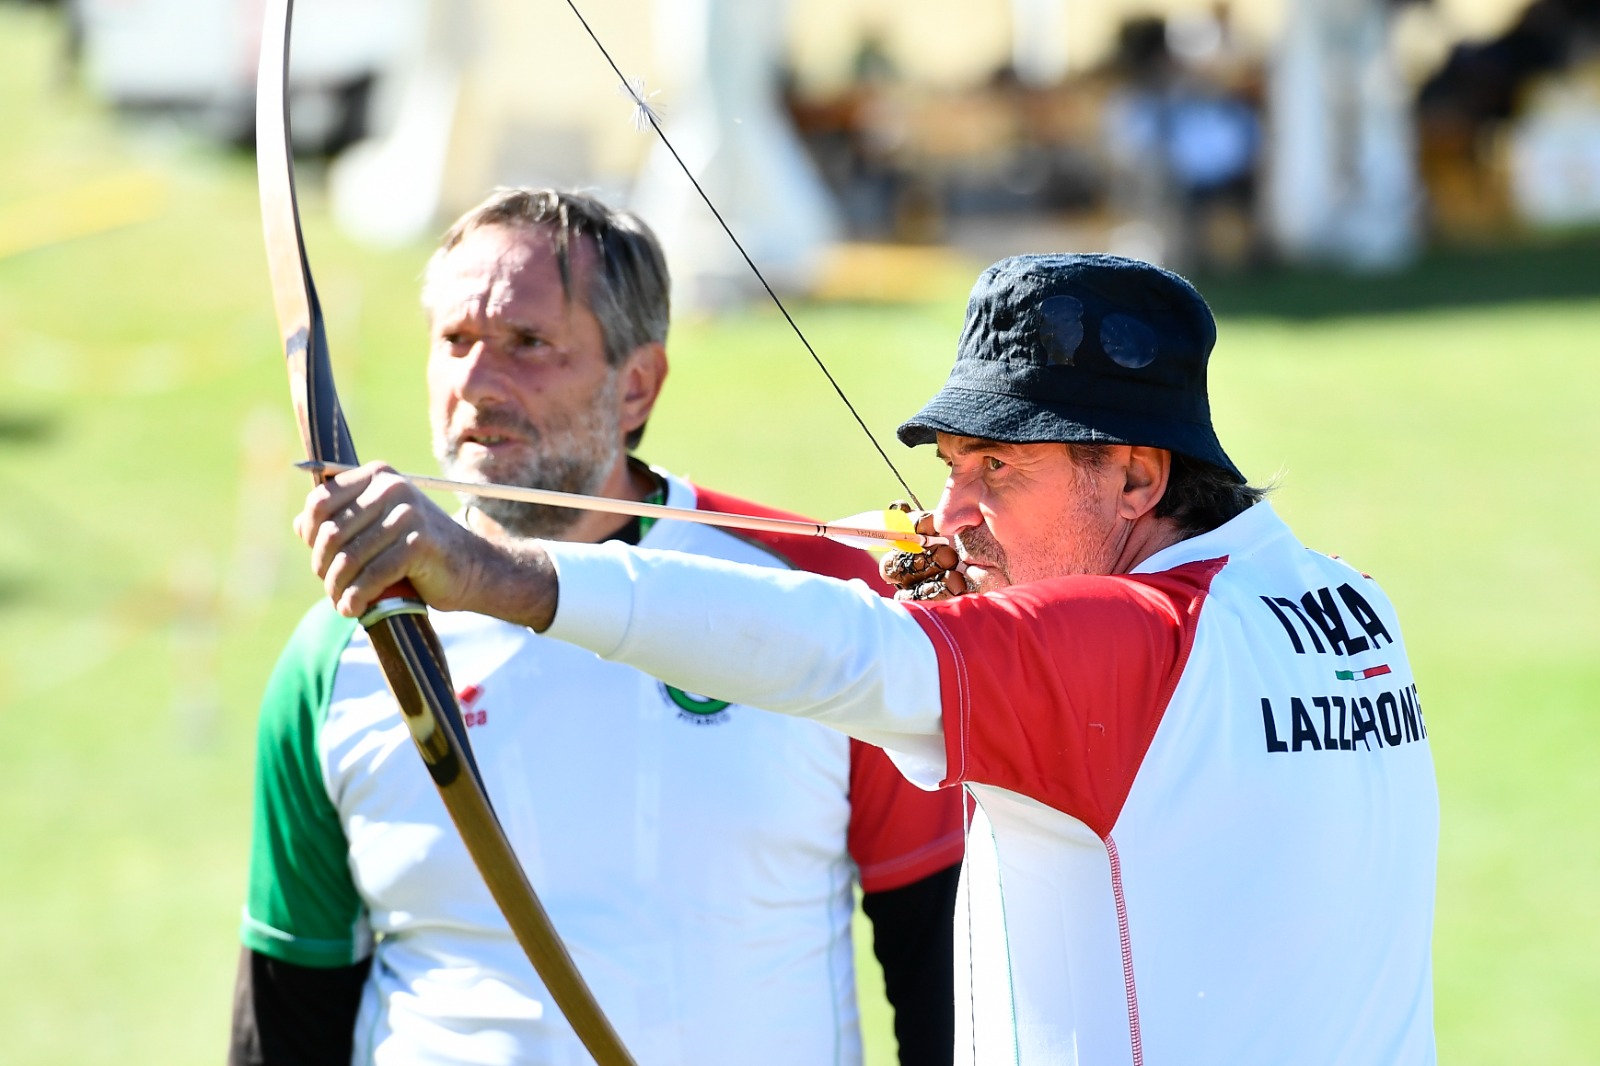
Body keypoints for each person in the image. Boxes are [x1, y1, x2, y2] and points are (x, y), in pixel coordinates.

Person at [297, 252, 1439, 1065]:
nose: (952, 513)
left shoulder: (1130, 651)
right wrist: (985, 575)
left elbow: (837, 650)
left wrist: (495, 574)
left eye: (999, 469)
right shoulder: (1342, 607)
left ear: (1139, 477)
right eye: (951, 466)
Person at [231, 188, 966, 1066]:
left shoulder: (823, 602)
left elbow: (942, 960)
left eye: (528, 343)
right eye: (455, 340)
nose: (477, 382)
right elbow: (289, 1011)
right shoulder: (340, 655)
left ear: (636, 384)